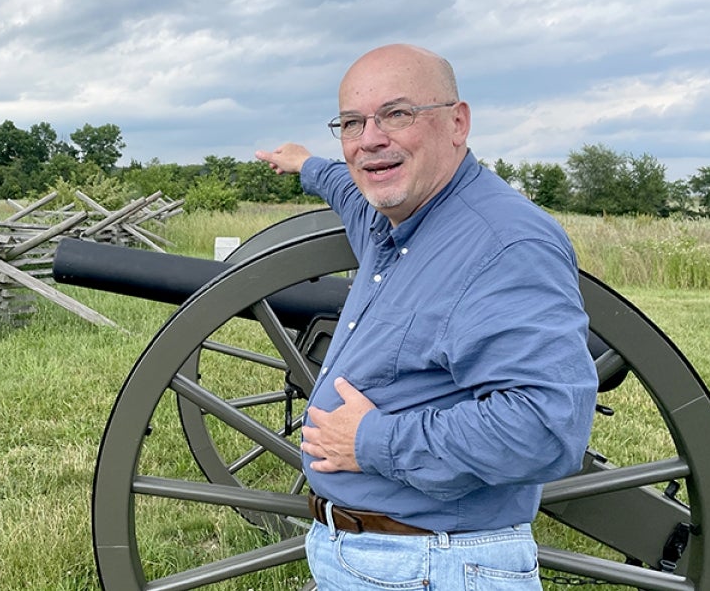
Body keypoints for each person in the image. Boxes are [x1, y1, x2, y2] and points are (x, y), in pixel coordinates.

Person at [254, 44, 597, 590]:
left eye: (397, 114)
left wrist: (370, 440)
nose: (370, 139)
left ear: (457, 122)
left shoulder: (505, 244)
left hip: (435, 566)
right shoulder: (389, 218)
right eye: (351, 123)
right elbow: (348, 184)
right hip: (382, 558)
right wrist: (303, 164)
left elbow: (546, 427)